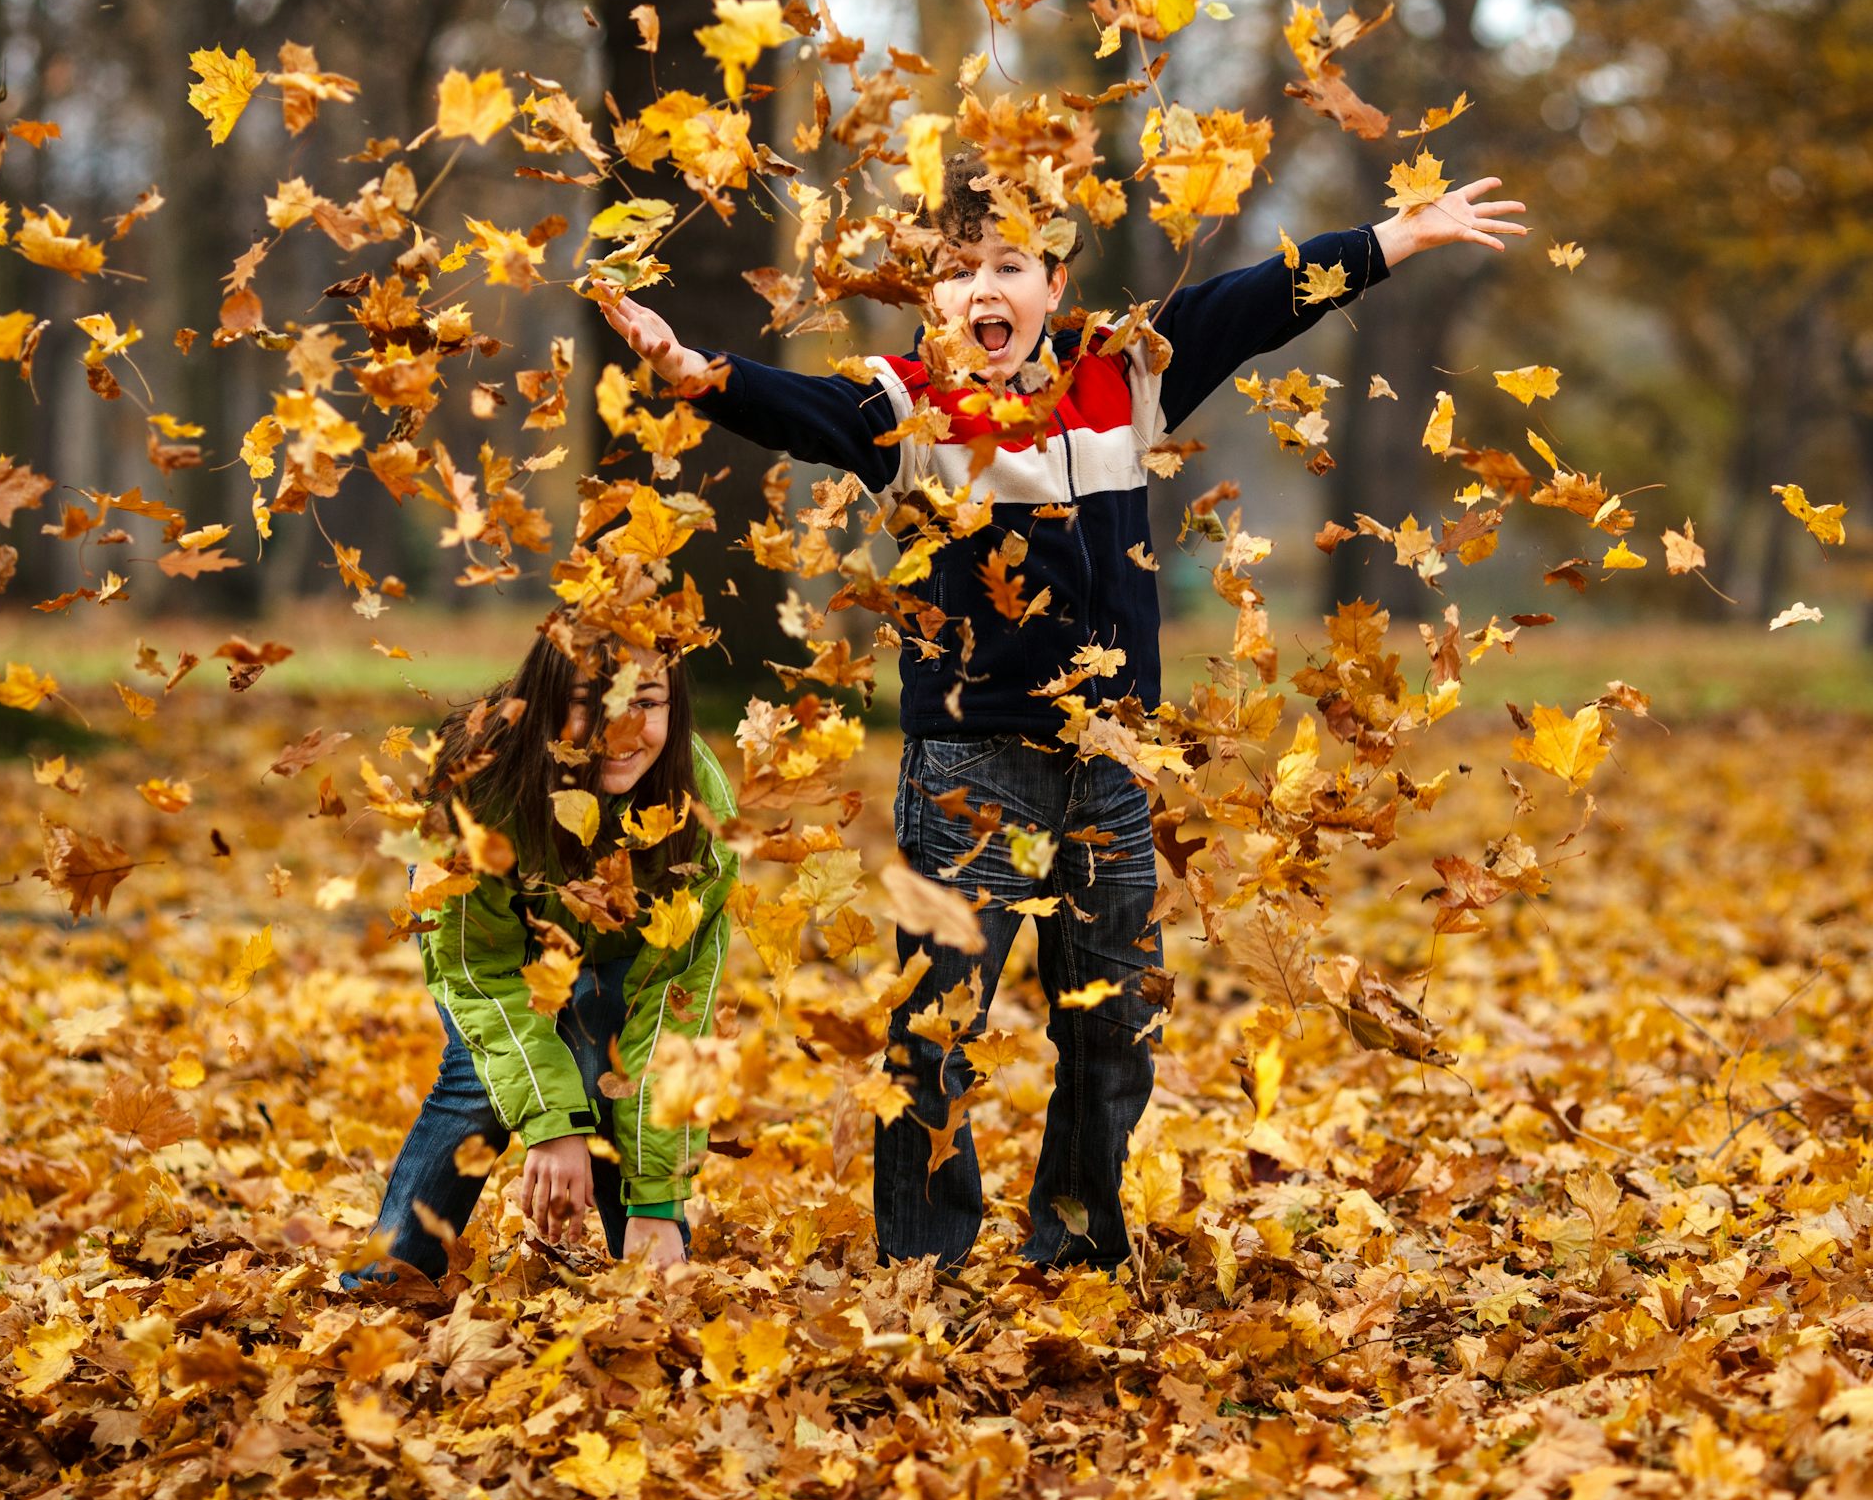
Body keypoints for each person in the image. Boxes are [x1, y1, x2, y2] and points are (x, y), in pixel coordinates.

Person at [600, 156, 1524, 1272]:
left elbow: (1252, 302)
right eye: (956, 272)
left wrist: (1395, 236)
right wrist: (700, 373)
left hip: (1109, 763)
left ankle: (1074, 1245)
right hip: (969, 770)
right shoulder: (910, 405)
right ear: (928, 296)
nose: (984, 289)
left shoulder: (1120, 374)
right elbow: (812, 412)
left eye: (1010, 265)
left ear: (1055, 278)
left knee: (1114, 1025)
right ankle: (922, 1263)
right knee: (938, 1027)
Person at [344, 631, 736, 1285]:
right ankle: (387, 1280)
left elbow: (671, 1011)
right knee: (479, 1081)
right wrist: (554, 1130)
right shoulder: (481, 796)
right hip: (495, 953)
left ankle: (647, 1269)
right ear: (545, 702)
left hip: (626, 957)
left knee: (606, 1057)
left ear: (680, 710)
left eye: (646, 700)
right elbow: (483, 979)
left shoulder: (701, 813)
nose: (621, 729)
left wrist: (659, 1202)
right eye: (590, 703)